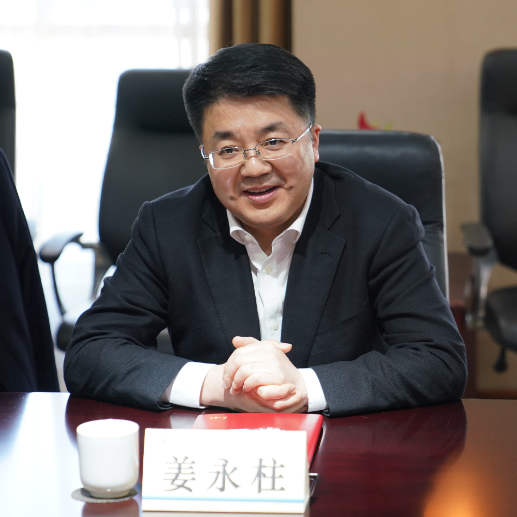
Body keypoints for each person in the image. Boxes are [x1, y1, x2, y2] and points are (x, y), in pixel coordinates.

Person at [64, 43, 467, 416]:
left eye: (273, 142)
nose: (254, 168)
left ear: (313, 142)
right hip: (216, 447)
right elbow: (91, 350)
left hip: (345, 446)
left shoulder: (379, 221)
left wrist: (304, 387)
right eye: (228, 150)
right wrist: (215, 384)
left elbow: (438, 359)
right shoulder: (167, 225)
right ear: (206, 155)